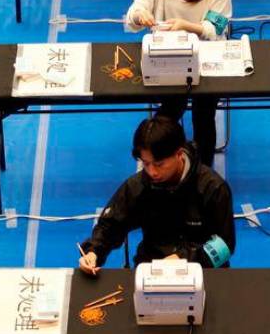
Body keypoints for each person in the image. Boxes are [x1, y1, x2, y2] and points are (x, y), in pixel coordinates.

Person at [125, 0, 232, 167]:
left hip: (207, 57)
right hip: (166, 57)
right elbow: (134, 10)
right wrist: (140, 16)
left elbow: (216, 27)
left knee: (203, 115)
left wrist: (186, 26)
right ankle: (158, 164)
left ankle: (203, 171)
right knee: (169, 111)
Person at [78, 115, 236, 274]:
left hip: (203, 271)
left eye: (159, 164)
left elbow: (225, 244)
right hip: (151, 269)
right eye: (146, 163)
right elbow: (110, 225)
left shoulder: (213, 188)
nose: (152, 172)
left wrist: (184, 260)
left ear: (179, 153)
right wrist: (93, 252)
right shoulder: (138, 186)